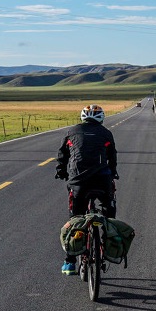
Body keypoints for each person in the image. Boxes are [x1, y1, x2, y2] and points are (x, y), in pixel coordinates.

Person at [55, 104, 118, 275]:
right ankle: (106, 241)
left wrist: (61, 171)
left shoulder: (71, 131)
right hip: (102, 181)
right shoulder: (106, 133)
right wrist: (113, 172)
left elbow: (62, 155)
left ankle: (69, 262)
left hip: (78, 182)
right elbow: (112, 157)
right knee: (109, 212)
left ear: (82, 117)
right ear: (101, 118)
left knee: (75, 218)